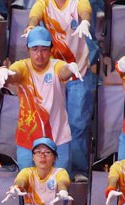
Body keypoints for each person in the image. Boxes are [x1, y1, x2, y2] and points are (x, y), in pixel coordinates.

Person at [26, 0, 96, 179]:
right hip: (53, 75)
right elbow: (35, 14)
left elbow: (85, 10)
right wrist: (31, 26)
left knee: (77, 123)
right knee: (50, 123)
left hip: (78, 72)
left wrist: (85, 21)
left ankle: (78, 170)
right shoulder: (44, 3)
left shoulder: (78, 2)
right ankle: (52, 171)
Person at [0, 27, 77, 172]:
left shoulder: (57, 65)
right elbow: (14, 74)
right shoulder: (22, 66)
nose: (39, 54)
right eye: (35, 49)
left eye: (44, 49)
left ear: (51, 50)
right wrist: (4, 72)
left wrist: (71, 68)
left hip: (58, 136)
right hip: (28, 138)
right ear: (28, 50)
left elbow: (63, 72)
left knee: (60, 182)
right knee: (26, 181)